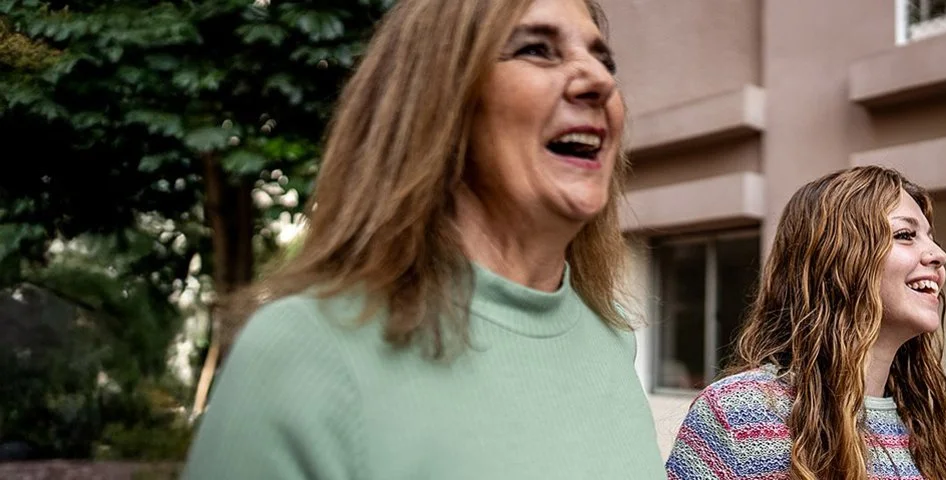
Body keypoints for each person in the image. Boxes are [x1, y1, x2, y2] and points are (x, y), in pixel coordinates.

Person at [183, 0, 666, 478]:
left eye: (605, 62)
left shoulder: (612, 341)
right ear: (437, 100)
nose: (600, 81)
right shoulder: (301, 353)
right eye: (538, 50)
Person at [665, 166, 946, 480]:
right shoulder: (738, 413)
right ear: (837, 260)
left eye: (930, 238)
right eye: (905, 235)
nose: (939, 254)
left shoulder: (924, 427)